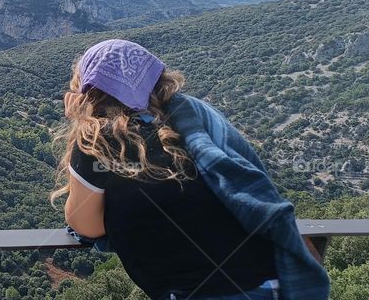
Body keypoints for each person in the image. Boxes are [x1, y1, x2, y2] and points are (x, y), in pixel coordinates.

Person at [54, 39, 290, 300]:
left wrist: (80, 125)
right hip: (272, 280)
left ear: (86, 92)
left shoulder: (98, 140)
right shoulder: (196, 119)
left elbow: (85, 225)